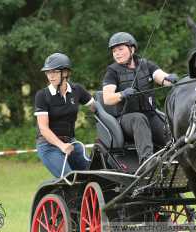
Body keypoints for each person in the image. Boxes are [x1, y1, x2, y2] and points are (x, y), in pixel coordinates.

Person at [102, 32, 178, 166]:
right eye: (114, 51)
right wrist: (122, 94)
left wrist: (170, 79)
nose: (117, 53)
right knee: (139, 118)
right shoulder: (112, 71)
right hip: (125, 119)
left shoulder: (146, 65)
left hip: (150, 115)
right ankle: (147, 162)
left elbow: (160, 76)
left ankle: (176, 160)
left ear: (132, 49)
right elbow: (107, 98)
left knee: (168, 129)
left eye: (120, 49)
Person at [34, 52, 96, 178]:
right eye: (48, 72)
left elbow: (96, 107)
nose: (50, 76)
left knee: (93, 173)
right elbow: (43, 128)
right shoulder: (42, 95)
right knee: (69, 178)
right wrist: (61, 146)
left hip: (71, 143)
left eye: (55, 72)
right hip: (48, 146)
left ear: (66, 72)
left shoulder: (77, 90)